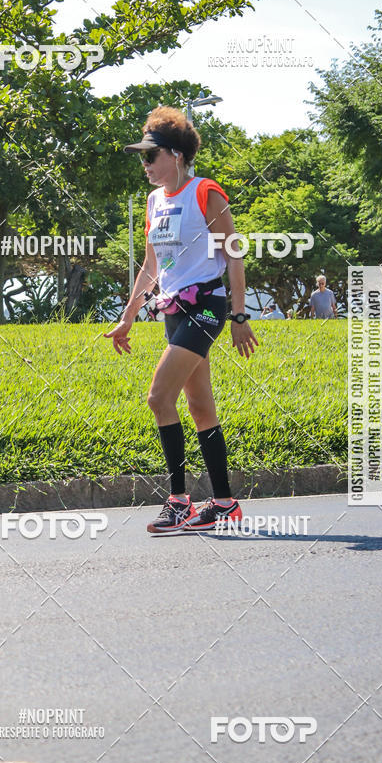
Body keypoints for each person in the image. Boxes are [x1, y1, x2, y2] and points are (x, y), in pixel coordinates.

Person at [104, 106, 258, 534]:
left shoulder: (205, 192)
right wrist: (128, 317)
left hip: (207, 305)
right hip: (173, 309)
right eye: (142, 157)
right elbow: (151, 267)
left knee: (158, 398)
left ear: (174, 154)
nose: (145, 165)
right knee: (200, 407)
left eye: (150, 156)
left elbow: (234, 253)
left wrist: (240, 315)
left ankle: (179, 502)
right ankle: (225, 504)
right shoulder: (155, 201)